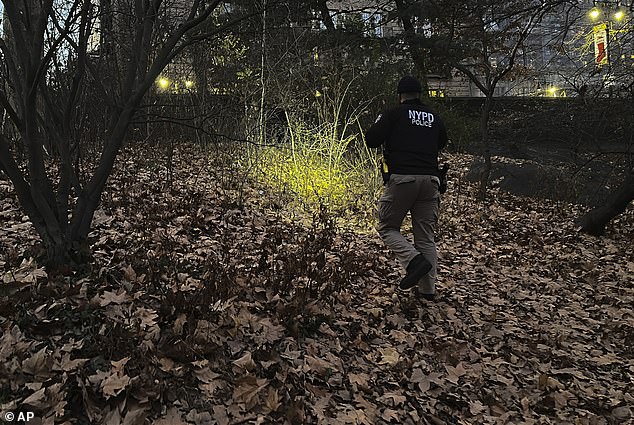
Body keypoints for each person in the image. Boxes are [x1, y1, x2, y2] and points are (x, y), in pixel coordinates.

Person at [365, 75, 448, 300]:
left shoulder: (394, 114)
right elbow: (441, 142)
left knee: (387, 228)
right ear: (419, 94)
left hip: (403, 180)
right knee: (425, 237)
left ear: (400, 95)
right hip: (431, 182)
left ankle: (414, 261)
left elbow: (371, 139)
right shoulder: (434, 117)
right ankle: (427, 291)